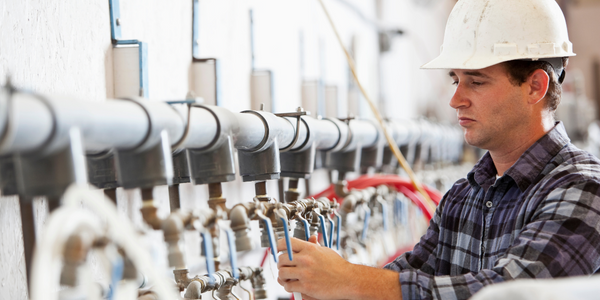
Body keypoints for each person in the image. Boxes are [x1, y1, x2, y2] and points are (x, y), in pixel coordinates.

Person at [275, 0, 600, 299]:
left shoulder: (583, 188)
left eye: (476, 81)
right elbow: (408, 277)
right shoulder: (463, 196)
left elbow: (512, 292)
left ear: (535, 86)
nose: (455, 99)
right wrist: (328, 286)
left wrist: (347, 280)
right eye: (454, 79)